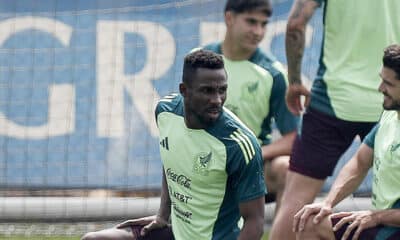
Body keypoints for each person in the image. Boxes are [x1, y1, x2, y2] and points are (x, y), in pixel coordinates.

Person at [81, 50, 266, 240]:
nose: (217, 100)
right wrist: (163, 214)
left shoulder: (239, 145)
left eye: (222, 90)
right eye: (207, 91)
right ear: (184, 90)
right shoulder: (165, 111)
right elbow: (172, 160)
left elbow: (255, 222)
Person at [270, 0, 400, 239]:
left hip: (332, 99)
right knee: (316, 216)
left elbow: (296, 24)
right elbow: (359, 164)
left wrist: (296, 81)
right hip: (387, 100)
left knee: (296, 202)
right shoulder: (387, 100)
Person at [293, 44, 400, 240]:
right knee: (310, 222)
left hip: (390, 225)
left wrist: (377, 217)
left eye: (389, 84)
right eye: (381, 80)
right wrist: (328, 203)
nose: (380, 88)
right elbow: (359, 163)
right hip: (383, 223)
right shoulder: (389, 116)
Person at [203, 0, 299, 209]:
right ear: (229, 18)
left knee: (288, 169)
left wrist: (254, 152)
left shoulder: (273, 73)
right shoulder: (200, 61)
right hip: (203, 162)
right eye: (251, 22)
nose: (258, 31)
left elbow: (294, 139)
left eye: (263, 24)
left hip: (251, 168)